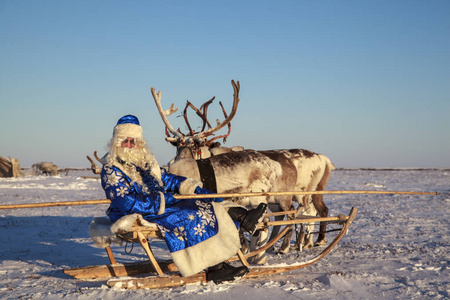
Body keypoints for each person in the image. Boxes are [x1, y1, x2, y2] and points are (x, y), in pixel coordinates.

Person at [101, 114, 267, 283]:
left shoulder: (145, 162)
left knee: (204, 202)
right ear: (116, 142)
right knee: (193, 213)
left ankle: (241, 220)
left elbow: (165, 178)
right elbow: (124, 201)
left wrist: (192, 187)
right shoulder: (111, 169)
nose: (129, 145)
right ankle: (216, 267)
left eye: (133, 141)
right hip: (136, 211)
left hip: (159, 205)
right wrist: (162, 202)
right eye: (125, 141)